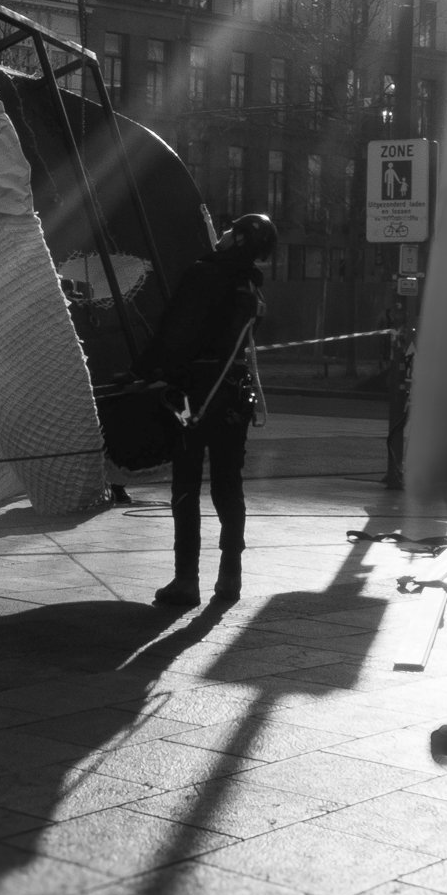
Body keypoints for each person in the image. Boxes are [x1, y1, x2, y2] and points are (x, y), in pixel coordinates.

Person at [133, 213, 276, 606]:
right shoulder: (250, 287)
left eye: (232, 230)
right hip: (232, 397)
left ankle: (186, 580)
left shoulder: (205, 275)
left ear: (241, 238)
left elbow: (177, 330)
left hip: (193, 394)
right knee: (229, 484)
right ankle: (231, 578)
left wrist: (146, 370)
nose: (224, 234)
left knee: (186, 484)